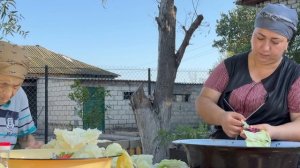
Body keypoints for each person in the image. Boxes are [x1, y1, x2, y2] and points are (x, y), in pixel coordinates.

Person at [195, 3, 300, 140]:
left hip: (273, 157)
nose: (265, 47)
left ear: (287, 43)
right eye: (259, 37)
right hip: (224, 153)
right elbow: (204, 101)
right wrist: (221, 117)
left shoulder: (294, 76)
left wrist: (273, 132)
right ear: (252, 35)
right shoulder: (230, 66)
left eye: (275, 42)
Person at [0, 40, 43, 148]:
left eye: (16, 86)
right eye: (2, 84)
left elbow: (24, 136)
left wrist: (31, 145)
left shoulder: (20, 95)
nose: (8, 95)